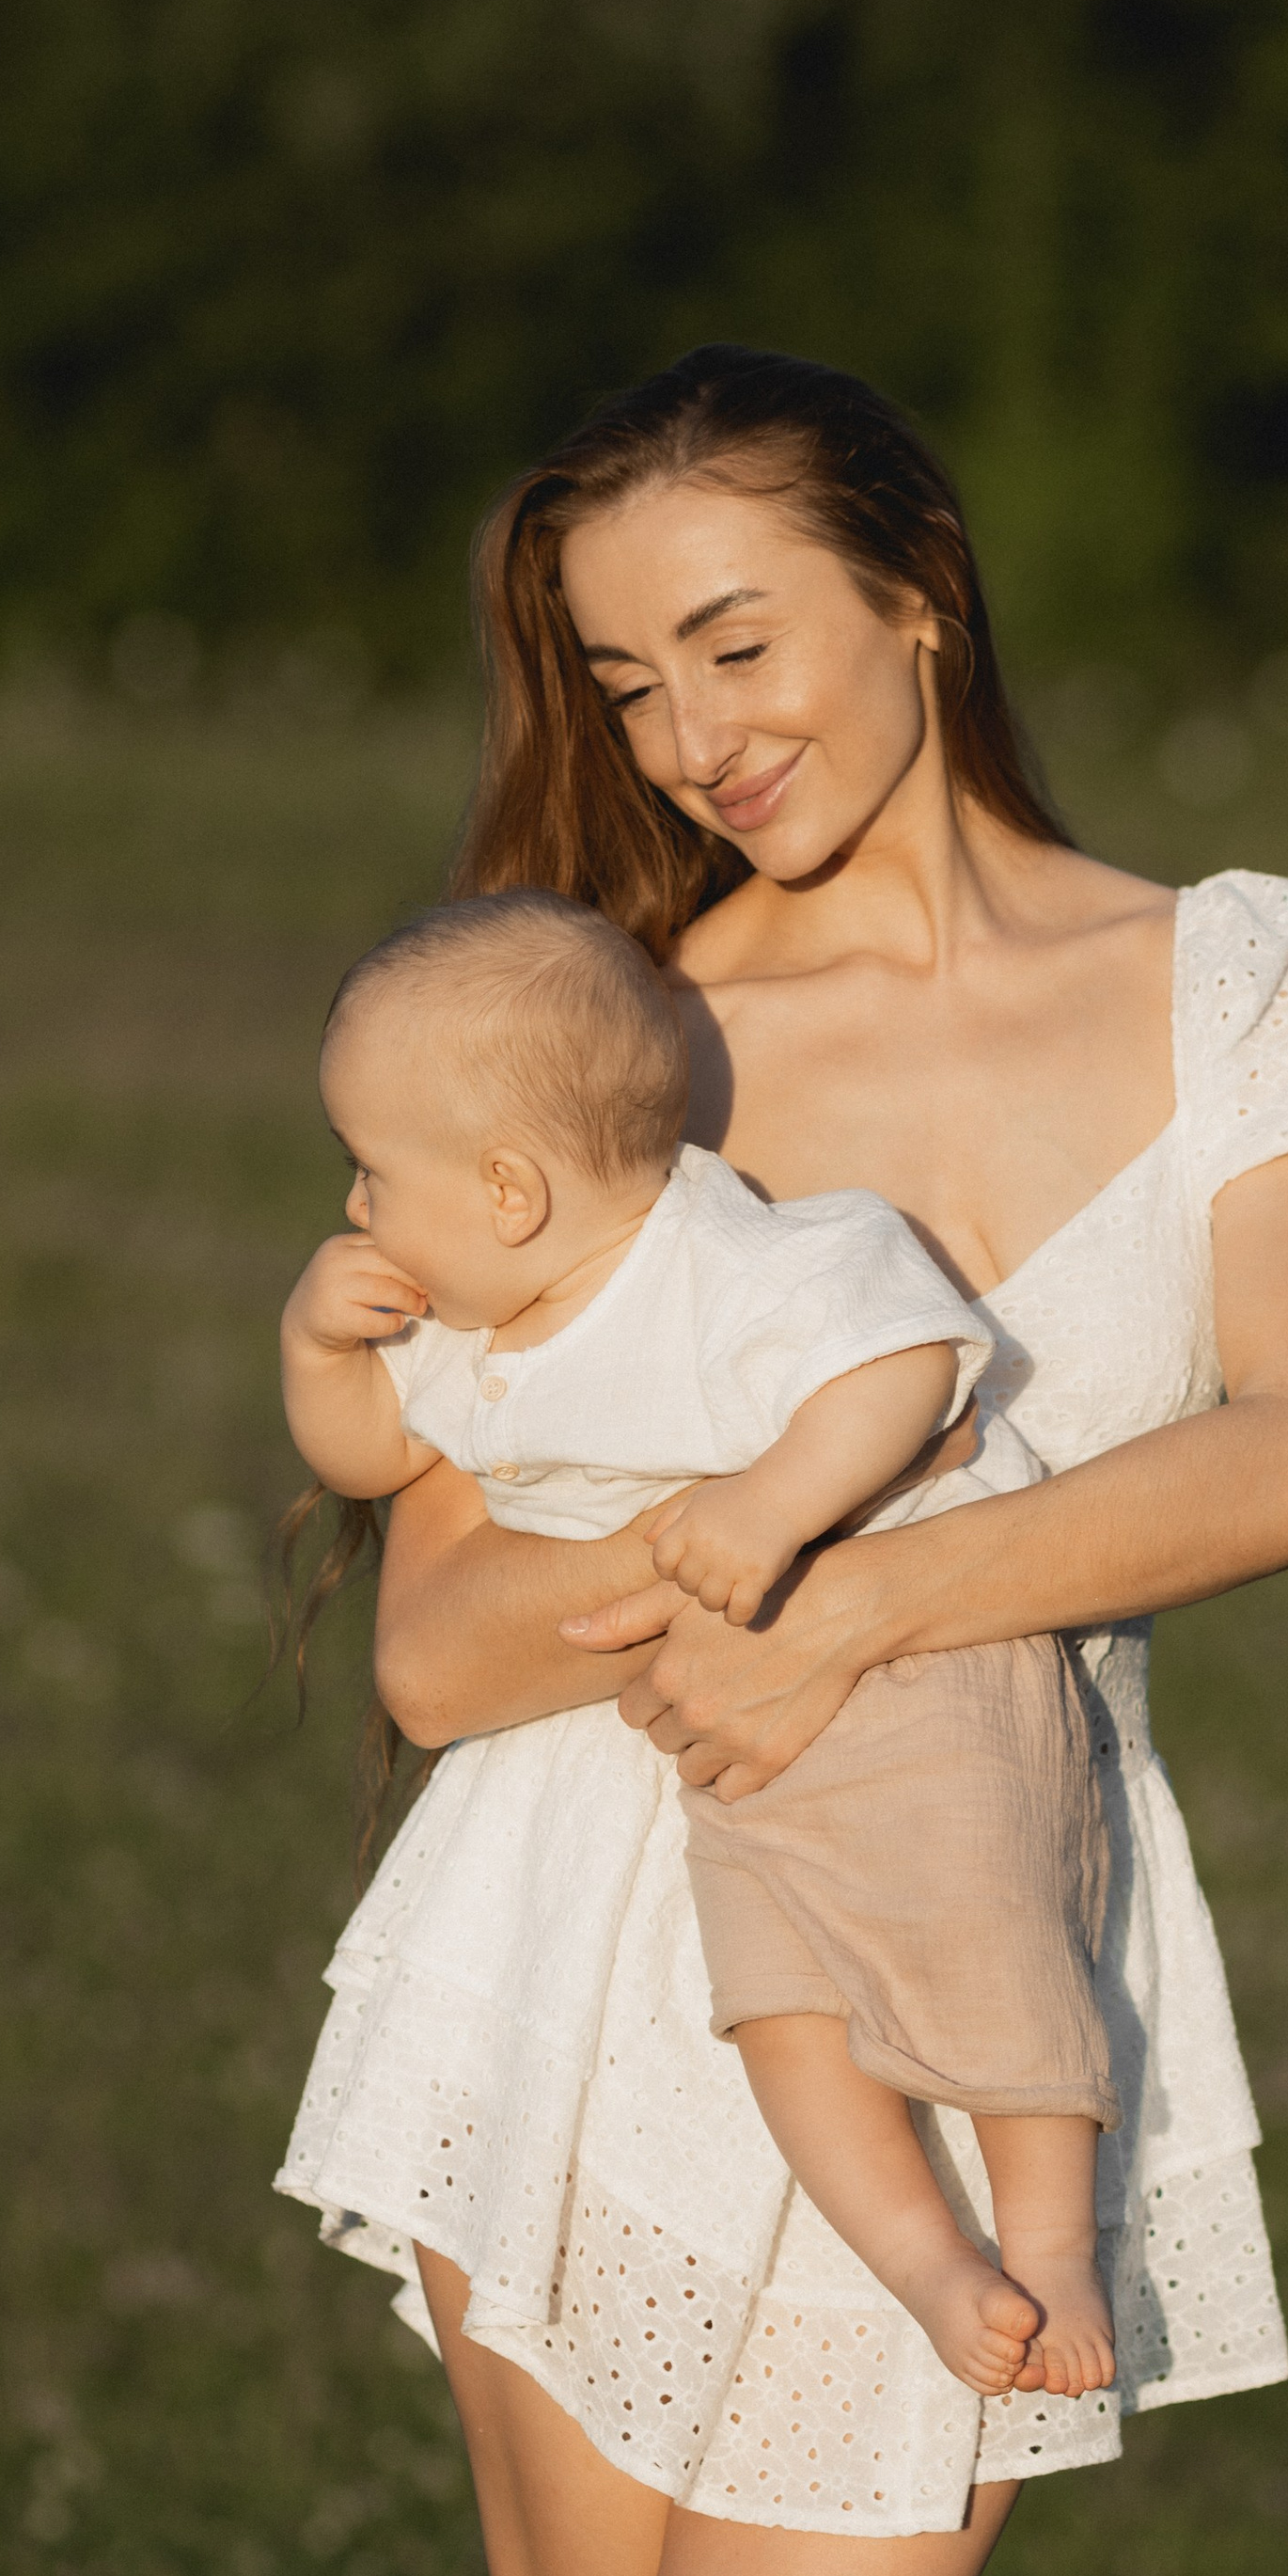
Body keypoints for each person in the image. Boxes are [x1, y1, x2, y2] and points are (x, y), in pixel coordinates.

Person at [275, 343, 1288, 2576]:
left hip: (973, 1948)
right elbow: (437, 1652)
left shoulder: (1227, 978)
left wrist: (865, 1593)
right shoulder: (621, 1034)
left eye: (740, 644)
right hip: (583, 1939)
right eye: (625, 682)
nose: (689, 738)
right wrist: (694, 1566)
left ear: (920, 593)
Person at [278, 887, 1120, 2404]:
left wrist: (775, 1501)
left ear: (509, 1189)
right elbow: (365, 1459)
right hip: (737, 1727)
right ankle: (930, 2255)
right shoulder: (483, 1335)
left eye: (369, 1175)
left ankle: (1051, 2243)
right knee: (778, 2002)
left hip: (916, 1651)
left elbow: (911, 1363)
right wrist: (317, 1346)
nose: (352, 1211)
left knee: (987, 1928)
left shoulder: (739, 1255)